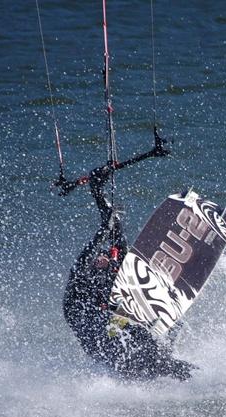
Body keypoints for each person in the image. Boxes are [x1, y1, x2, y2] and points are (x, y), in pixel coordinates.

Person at [60, 135, 194, 380]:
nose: (103, 258)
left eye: (105, 257)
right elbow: (96, 246)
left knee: (161, 328)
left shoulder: (115, 268)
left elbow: (119, 243)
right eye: (100, 258)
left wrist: (100, 198)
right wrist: (103, 228)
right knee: (131, 340)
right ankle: (155, 366)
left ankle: (166, 363)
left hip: (110, 322)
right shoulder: (82, 274)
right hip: (88, 324)